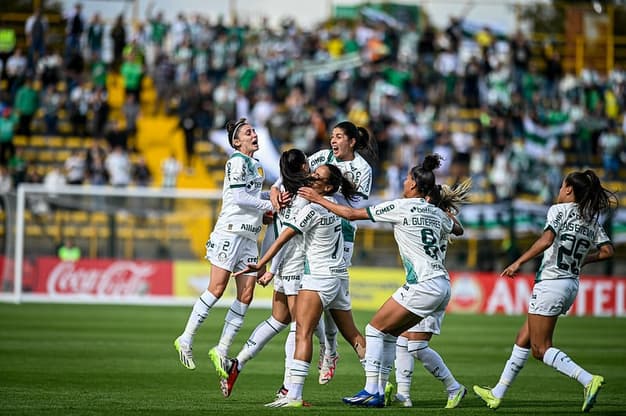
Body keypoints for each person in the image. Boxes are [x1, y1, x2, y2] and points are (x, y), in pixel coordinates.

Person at [298, 154, 464, 408]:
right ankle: (378, 391)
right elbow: (458, 229)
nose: (404, 181)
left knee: (374, 329)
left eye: (407, 178)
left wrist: (318, 199)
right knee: (390, 334)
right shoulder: (438, 214)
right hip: (442, 285)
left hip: (422, 284)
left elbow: (351, 215)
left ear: (413, 186)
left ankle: (372, 389)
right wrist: (439, 209)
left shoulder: (401, 206)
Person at [473, 170, 616, 413]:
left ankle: (587, 379)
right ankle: (497, 393)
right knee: (523, 338)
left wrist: (518, 262)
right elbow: (607, 252)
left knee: (540, 349)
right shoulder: (590, 219)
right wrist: (581, 260)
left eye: (562, 186)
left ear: (569, 189)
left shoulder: (558, 210)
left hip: (551, 283)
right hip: (570, 284)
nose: (559, 191)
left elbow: (547, 240)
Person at [235, 163, 367, 408]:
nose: (311, 178)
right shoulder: (338, 206)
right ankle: (377, 385)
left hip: (318, 278)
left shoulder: (313, 210)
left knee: (302, 332)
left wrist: (261, 264)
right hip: (340, 278)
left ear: (327, 187)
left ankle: (293, 394)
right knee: (353, 334)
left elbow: (283, 238)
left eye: (316, 178)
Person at [271, 120, 377, 384]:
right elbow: (292, 176)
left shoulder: (362, 169)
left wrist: (325, 197)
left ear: (352, 141)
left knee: (322, 302)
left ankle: (326, 355)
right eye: (332, 135)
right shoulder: (321, 157)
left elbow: (358, 205)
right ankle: (354, 365)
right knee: (331, 303)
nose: (333, 140)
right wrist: (275, 190)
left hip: (340, 236)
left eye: (339, 136)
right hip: (312, 233)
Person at [173, 118, 274, 374]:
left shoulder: (256, 165)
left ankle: (221, 349)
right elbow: (240, 198)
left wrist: (269, 199)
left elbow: (251, 196)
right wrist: (269, 204)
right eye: (248, 132)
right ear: (236, 141)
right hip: (230, 233)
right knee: (217, 288)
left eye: (254, 131)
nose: (254, 134)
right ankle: (185, 339)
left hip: (250, 237)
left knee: (247, 295)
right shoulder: (236, 161)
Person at [216, 149, 316, 399]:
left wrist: (267, 264)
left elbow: (273, 227)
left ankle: (236, 363)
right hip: (294, 264)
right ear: (304, 167)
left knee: (278, 320)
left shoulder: (282, 193)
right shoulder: (304, 197)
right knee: (300, 326)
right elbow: (285, 235)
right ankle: (287, 388)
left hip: (282, 264)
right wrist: (269, 268)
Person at [389, 179, 472, 409]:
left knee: (416, 347)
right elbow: (459, 229)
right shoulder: (438, 217)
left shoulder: (433, 215)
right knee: (402, 340)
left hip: (430, 284)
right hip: (423, 283)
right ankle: (403, 394)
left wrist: (439, 207)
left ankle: (454, 387)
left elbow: (459, 229)